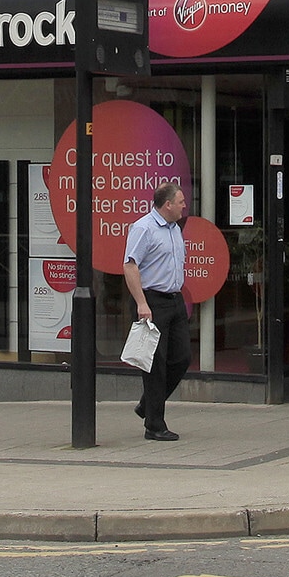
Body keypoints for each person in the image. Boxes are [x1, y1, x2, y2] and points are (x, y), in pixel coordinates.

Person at [123, 180, 192, 442]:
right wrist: (142, 303)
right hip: (151, 301)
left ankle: (147, 404)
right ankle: (154, 424)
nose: (184, 206)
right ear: (167, 205)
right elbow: (130, 266)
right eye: (181, 202)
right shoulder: (144, 228)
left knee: (182, 357)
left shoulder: (175, 228)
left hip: (174, 299)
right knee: (155, 364)